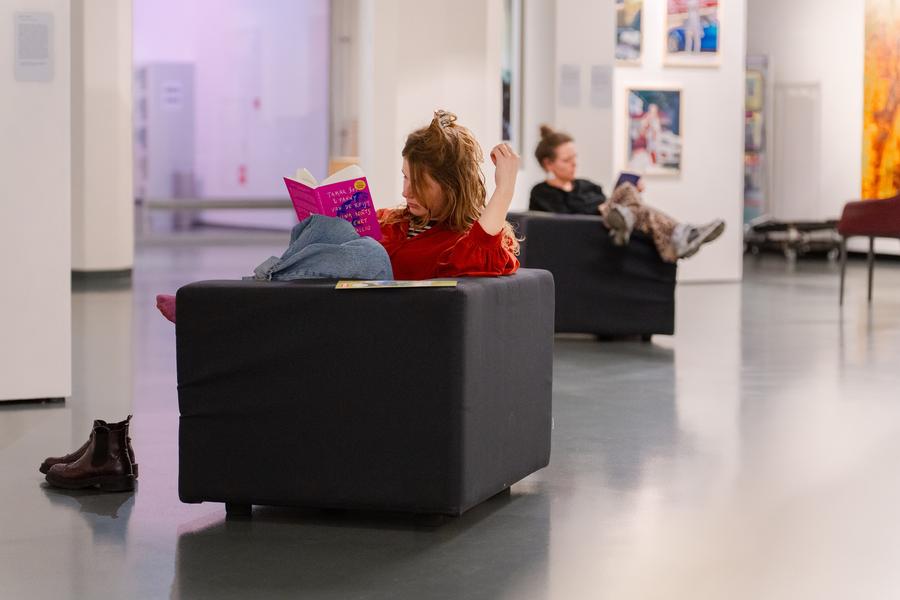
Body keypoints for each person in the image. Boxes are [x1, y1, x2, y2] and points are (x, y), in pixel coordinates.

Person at [157, 110, 520, 323]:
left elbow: (479, 256)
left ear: (450, 186)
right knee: (332, 228)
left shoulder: (465, 239)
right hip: (339, 310)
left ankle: (223, 301)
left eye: (419, 184)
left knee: (371, 253)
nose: (406, 192)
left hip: (391, 319)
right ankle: (235, 299)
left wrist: (503, 190)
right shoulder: (396, 220)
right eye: (405, 178)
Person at [529, 125, 724, 263]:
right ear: (548, 164)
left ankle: (631, 223)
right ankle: (681, 234)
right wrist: (605, 207)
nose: (574, 163)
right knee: (632, 201)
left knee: (631, 196)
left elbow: (606, 201)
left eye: (575, 158)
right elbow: (560, 220)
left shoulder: (586, 185)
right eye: (566, 160)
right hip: (589, 232)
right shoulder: (542, 193)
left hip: (608, 222)